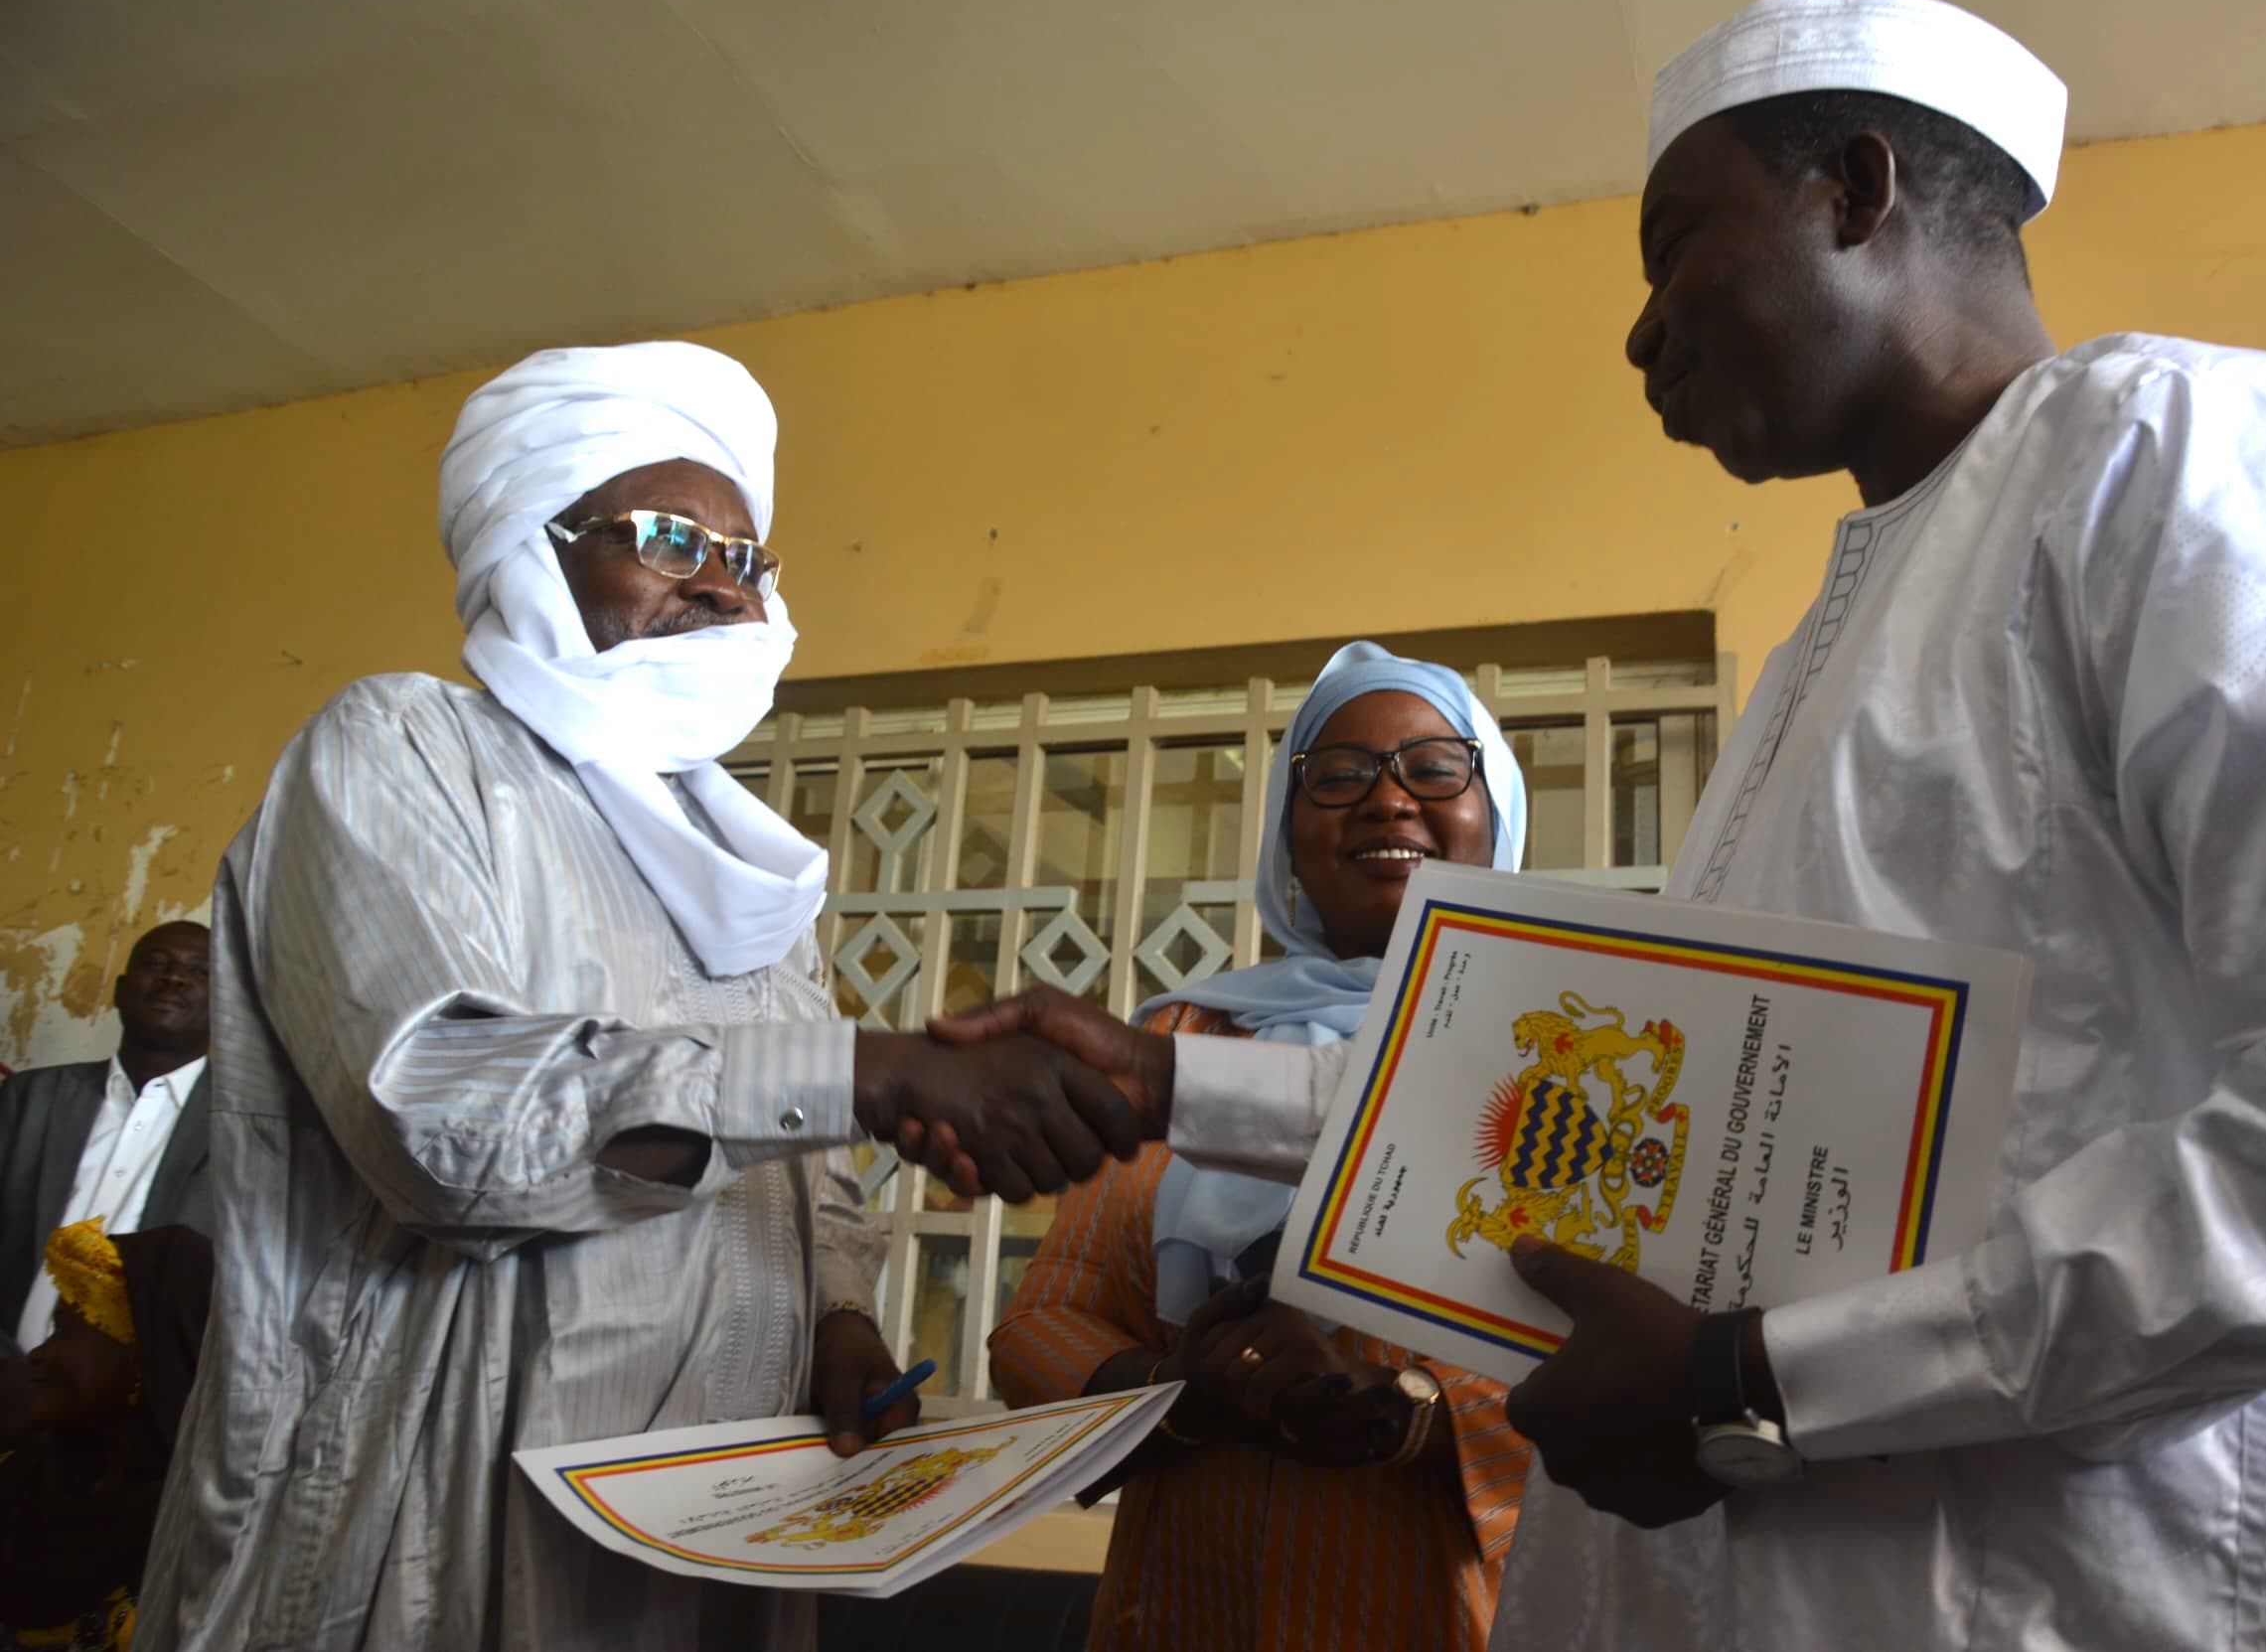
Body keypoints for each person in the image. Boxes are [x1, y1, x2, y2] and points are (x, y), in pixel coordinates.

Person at [930, 0, 2266, 1652]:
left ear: (1853, 188)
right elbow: (1614, 1138)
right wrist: (1173, 1081)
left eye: (1671, 244)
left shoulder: (2181, 459)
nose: (1640, 334)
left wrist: (1751, 1374)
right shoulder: (1812, 671)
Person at [135, 342, 1143, 1652]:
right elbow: (438, 1116)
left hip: (714, 1540)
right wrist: (871, 1068)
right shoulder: (403, 747)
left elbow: (805, 1173)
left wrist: (836, 1317)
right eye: (672, 537)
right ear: (528, 544)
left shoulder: (743, 870)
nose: (725, 583)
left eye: (749, 554)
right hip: (436, 1535)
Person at [989, 643, 1534, 1651]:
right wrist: (1192, 1397)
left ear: (1494, 814)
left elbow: (1625, 1353)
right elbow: (1042, 1320)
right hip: (1186, 1606)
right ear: (1287, 838)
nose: (1385, 800)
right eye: (1338, 774)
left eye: (1433, 767)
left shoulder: (1562, 1043)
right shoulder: (1191, 1042)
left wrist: (1414, 1415)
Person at [1, 923, 215, 1362]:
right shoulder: (31, 1097)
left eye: (200, 971)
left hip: (140, 1418)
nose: (173, 977)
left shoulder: (249, 1132)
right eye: (155, 963)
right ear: (118, 990)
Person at [0, 1220, 216, 1652]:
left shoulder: (189, 1549)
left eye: (66, 1332)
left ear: (142, 1361)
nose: (40, 1355)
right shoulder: (20, 1475)